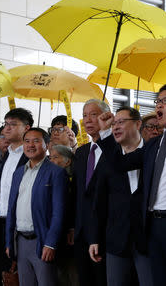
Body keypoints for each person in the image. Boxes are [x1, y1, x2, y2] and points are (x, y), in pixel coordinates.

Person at [98, 84, 166, 286]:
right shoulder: (153, 145)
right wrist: (105, 133)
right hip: (152, 226)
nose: (159, 106)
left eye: (165, 101)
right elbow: (120, 164)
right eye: (157, 101)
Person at [90, 107, 152, 286]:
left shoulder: (152, 152)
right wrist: (94, 238)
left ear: (138, 123)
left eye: (121, 122)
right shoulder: (107, 159)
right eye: (114, 123)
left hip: (148, 240)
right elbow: (99, 201)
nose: (116, 126)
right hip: (116, 239)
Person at [6, 128, 67, 286]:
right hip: (20, 241)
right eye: (27, 141)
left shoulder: (56, 173)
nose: (30, 145)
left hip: (42, 240)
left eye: (36, 141)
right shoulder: (18, 173)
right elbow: (11, 209)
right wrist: (9, 242)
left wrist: (51, 243)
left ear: (47, 145)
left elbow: (58, 212)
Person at [0, 108, 33, 285]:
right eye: (6, 124)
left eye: (13, 124)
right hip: (2, 219)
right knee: (4, 271)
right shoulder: (7, 154)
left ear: (26, 128)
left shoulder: (30, 155)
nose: (6, 128)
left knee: (18, 272)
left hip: (19, 224)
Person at [72, 99, 109, 286]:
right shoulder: (81, 152)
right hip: (81, 232)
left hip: (106, 231)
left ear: (106, 117)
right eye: (85, 115)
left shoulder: (115, 150)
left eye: (93, 114)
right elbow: (76, 193)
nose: (88, 120)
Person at [49, 144, 79, 286]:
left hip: (69, 236)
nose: (51, 161)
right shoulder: (51, 180)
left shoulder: (73, 181)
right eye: (50, 157)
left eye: (55, 157)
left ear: (68, 161)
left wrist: (71, 228)